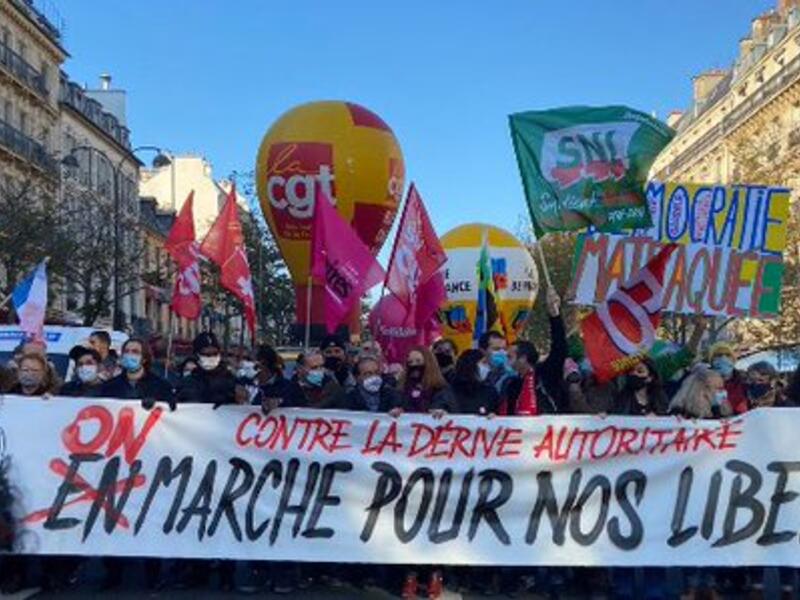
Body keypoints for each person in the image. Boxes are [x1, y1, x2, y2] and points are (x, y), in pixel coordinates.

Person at [502, 286, 567, 416]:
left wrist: (555, 315)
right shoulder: (512, 385)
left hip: (548, 433)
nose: (506, 361)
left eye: (510, 357)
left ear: (523, 358)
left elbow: (560, 347)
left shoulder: (547, 373)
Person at [101, 338, 174, 409]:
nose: (129, 354)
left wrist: (156, 404)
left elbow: (171, 410)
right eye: (126, 351)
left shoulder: (161, 386)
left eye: (135, 352)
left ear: (144, 359)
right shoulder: (109, 386)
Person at [176, 332, 240, 407]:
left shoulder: (231, 380)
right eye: (206, 354)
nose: (211, 358)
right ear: (197, 355)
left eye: (215, 353)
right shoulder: (187, 382)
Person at [398, 346, 455, 414]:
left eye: (418, 361)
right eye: (410, 362)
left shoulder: (441, 388)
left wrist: (443, 412)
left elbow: (452, 411)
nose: (414, 365)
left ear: (428, 364)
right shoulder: (402, 389)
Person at [256, 344, 304, 412]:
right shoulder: (239, 383)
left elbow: (303, 411)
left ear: (263, 363)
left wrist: (280, 402)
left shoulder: (290, 387)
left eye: (248, 360)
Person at [451, 349, 499, 416]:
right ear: (471, 364)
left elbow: (497, 413)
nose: (487, 367)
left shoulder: (490, 392)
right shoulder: (450, 391)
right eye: (484, 363)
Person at [708, 342, 747, 414]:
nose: (723, 358)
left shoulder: (744, 380)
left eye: (728, 355)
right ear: (712, 361)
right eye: (718, 355)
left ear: (733, 359)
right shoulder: (702, 381)